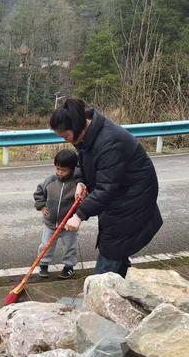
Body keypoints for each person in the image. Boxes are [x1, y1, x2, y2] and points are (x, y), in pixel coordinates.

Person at [50, 98, 163, 277]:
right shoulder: (86, 134)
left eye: (65, 136)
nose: (66, 140)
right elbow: (83, 161)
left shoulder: (109, 142)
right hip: (119, 195)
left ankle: (98, 289)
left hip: (133, 198)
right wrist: (81, 181)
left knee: (112, 245)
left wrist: (79, 215)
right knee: (118, 244)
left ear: (78, 125)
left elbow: (107, 188)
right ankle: (119, 287)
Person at [33, 149, 79, 279]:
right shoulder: (50, 180)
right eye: (57, 169)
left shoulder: (76, 183)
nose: (59, 172)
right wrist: (41, 206)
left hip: (67, 225)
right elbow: (38, 193)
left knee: (70, 246)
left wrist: (76, 216)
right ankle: (43, 265)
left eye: (63, 170)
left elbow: (81, 202)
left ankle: (69, 267)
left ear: (72, 169)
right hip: (50, 223)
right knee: (46, 245)